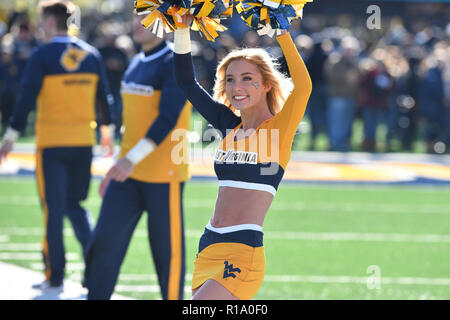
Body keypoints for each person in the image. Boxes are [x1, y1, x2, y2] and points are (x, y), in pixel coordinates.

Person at [173, 15, 312, 300]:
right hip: (208, 245)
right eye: (231, 80)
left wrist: (281, 32)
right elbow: (187, 83)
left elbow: (304, 86)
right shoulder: (228, 125)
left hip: (241, 251)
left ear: (267, 85)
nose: (237, 87)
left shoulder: (278, 130)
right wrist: (181, 28)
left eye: (248, 79)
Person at [0, 0, 115, 291]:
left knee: (53, 210)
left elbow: (26, 98)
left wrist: (10, 137)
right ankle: (95, 269)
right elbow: (105, 97)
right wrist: (107, 131)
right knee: (75, 206)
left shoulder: (41, 55)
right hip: (82, 143)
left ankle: (56, 274)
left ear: (50, 22)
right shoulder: (91, 54)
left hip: (51, 143)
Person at [83, 18, 191, 300]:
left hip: (163, 174)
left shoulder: (173, 62)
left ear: (165, 24)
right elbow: (132, 124)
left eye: (146, 19)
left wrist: (130, 159)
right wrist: (119, 163)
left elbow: (167, 117)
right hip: (127, 172)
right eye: (136, 18)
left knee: (167, 255)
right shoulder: (135, 61)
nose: (137, 24)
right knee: (104, 240)